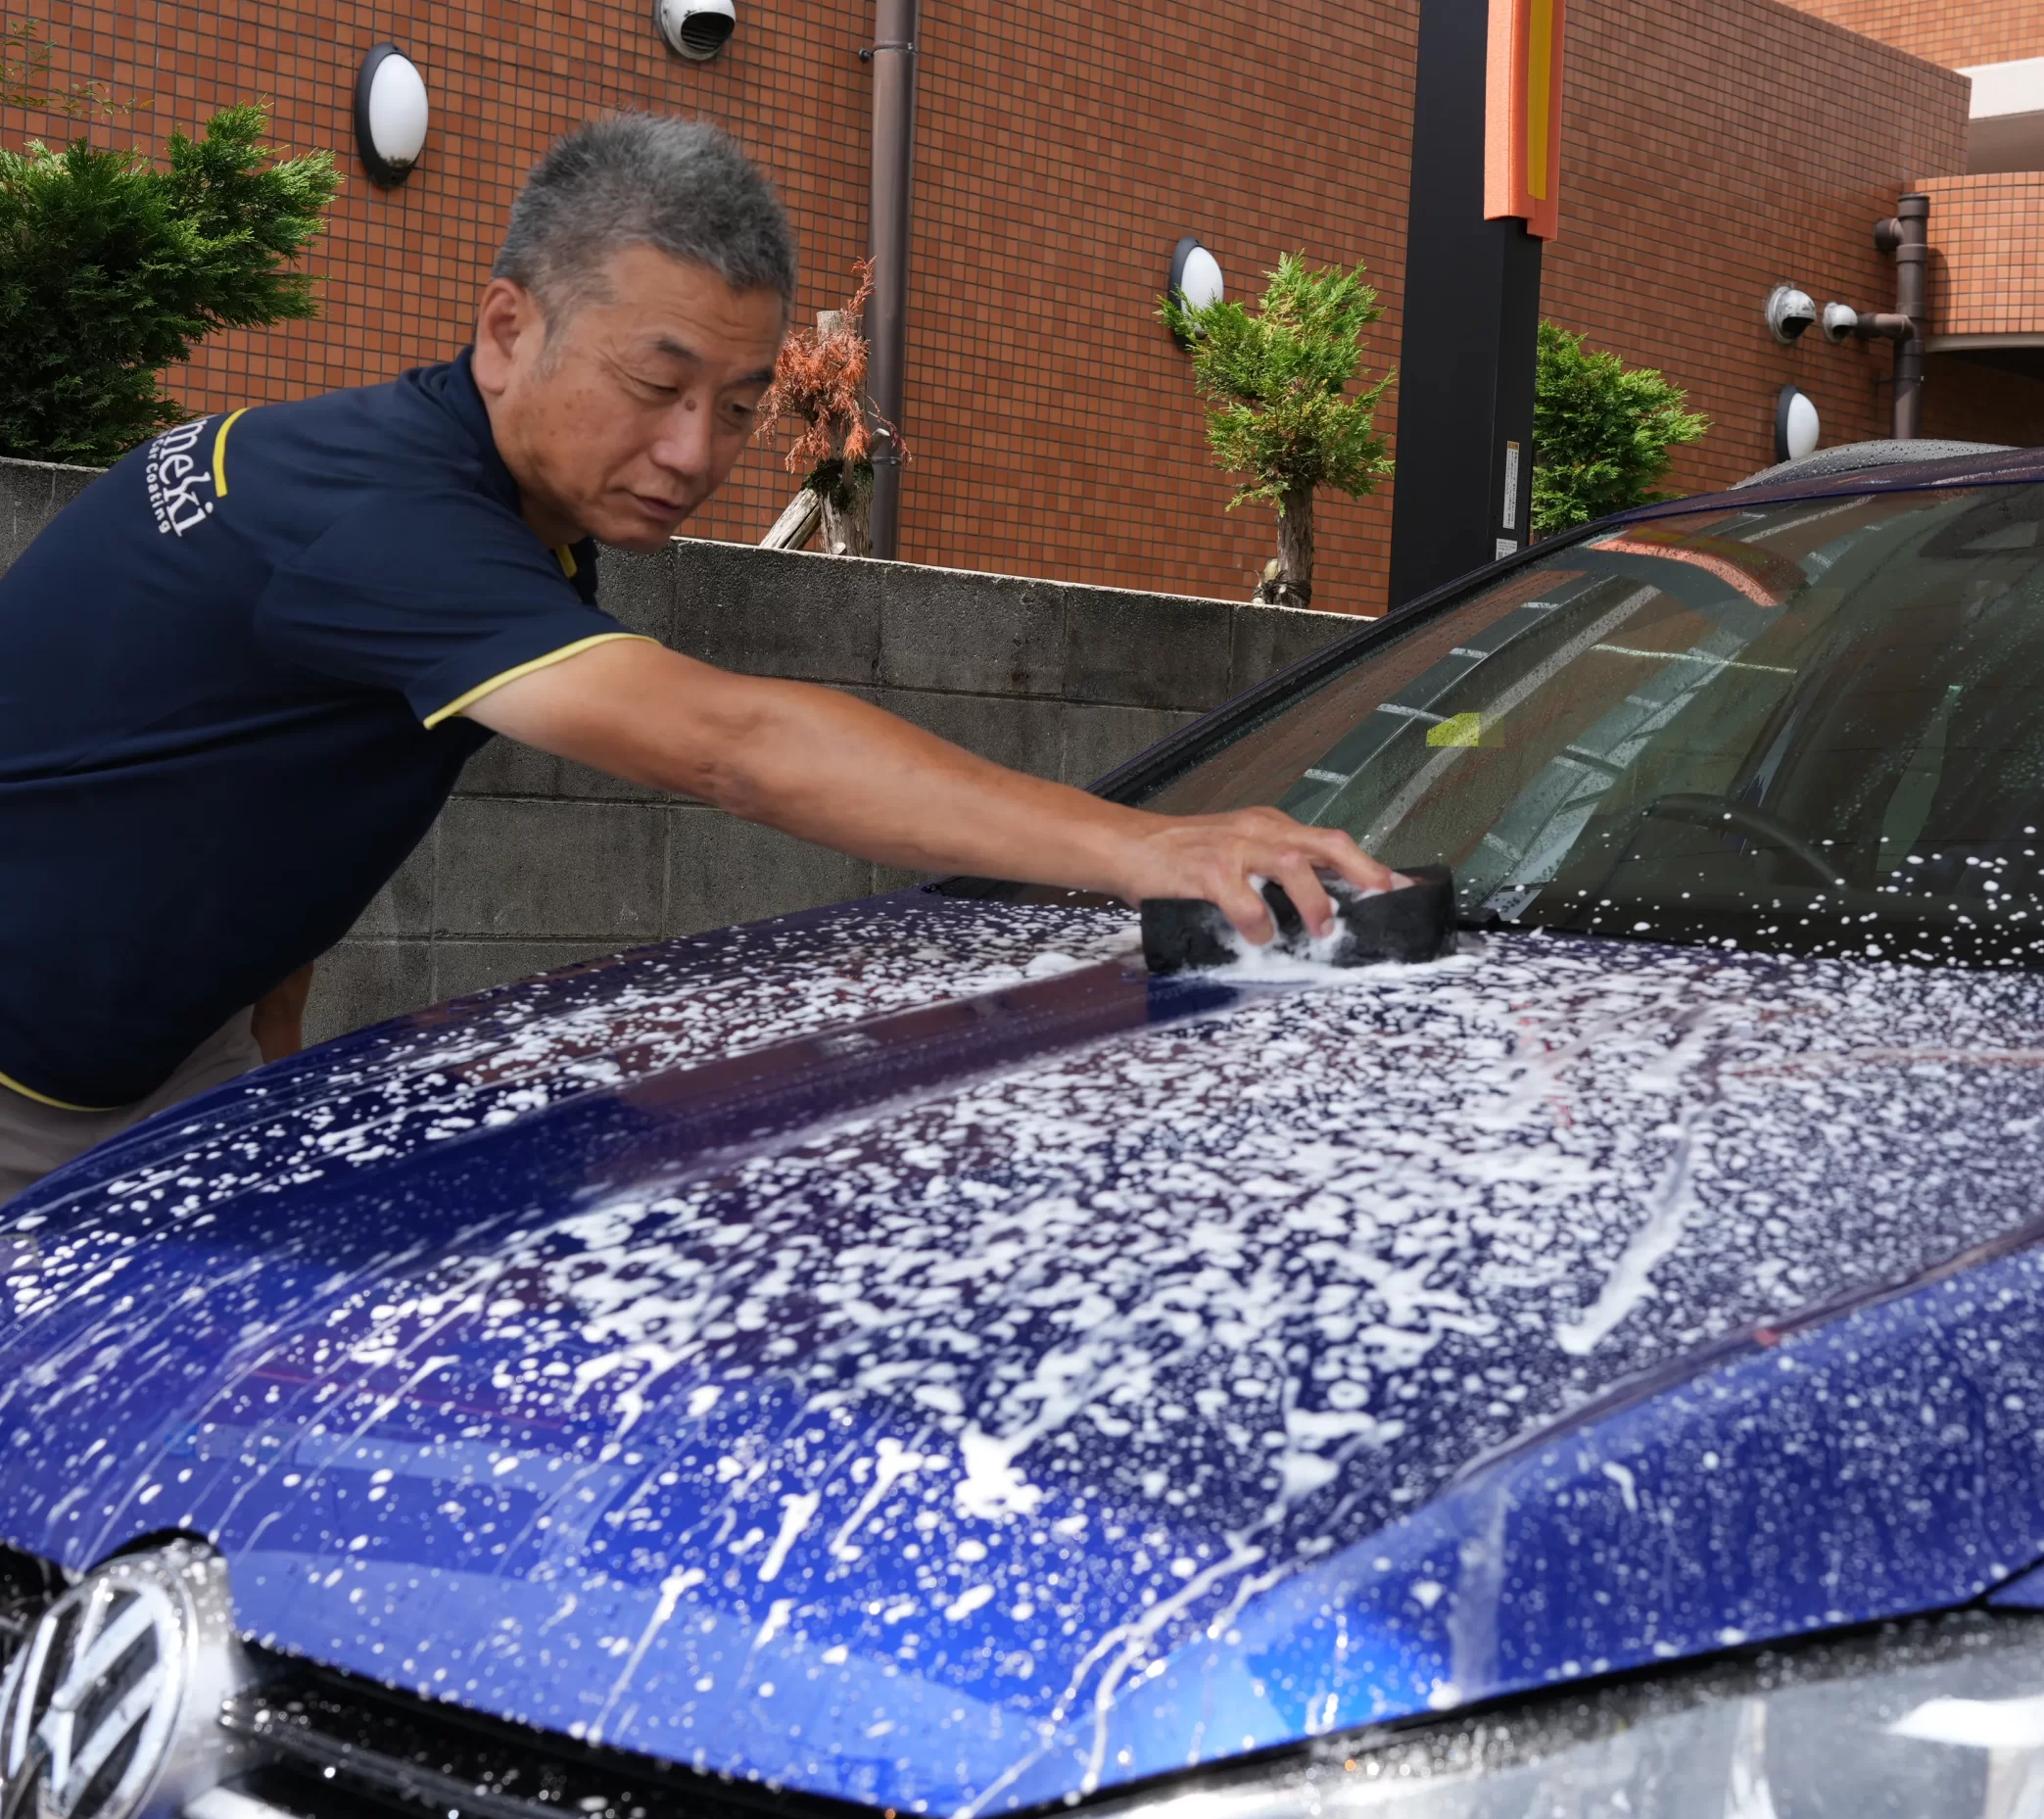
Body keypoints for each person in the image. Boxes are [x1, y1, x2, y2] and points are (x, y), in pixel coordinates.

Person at [0, 114, 1387, 1203]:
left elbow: (271, 795)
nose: (694, 454)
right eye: (656, 389)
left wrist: (270, 1061)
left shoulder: (486, 500)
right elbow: (734, 744)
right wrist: (1146, 851)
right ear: (507, 330)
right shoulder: (379, 520)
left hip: (159, 1061)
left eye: (734, 405)